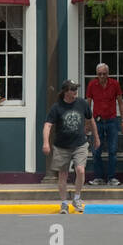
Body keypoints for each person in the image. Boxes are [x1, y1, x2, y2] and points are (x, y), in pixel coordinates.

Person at [42, 80, 98, 213]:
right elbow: (47, 125)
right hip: (62, 146)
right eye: (72, 89)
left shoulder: (82, 103)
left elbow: (91, 120)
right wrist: (45, 143)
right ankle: (64, 203)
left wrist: (96, 137)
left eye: (76, 89)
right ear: (65, 92)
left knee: (80, 170)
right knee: (63, 175)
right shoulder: (57, 107)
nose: (75, 91)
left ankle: (77, 198)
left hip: (80, 144)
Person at [86, 62, 123, 185]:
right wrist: (87, 122)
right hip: (97, 121)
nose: (102, 76)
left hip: (112, 121)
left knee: (112, 151)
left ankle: (111, 178)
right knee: (96, 151)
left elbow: (120, 102)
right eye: (99, 74)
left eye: (104, 74)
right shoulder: (92, 84)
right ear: (96, 74)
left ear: (108, 74)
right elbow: (88, 104)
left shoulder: (115, 84)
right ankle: (98, 177)